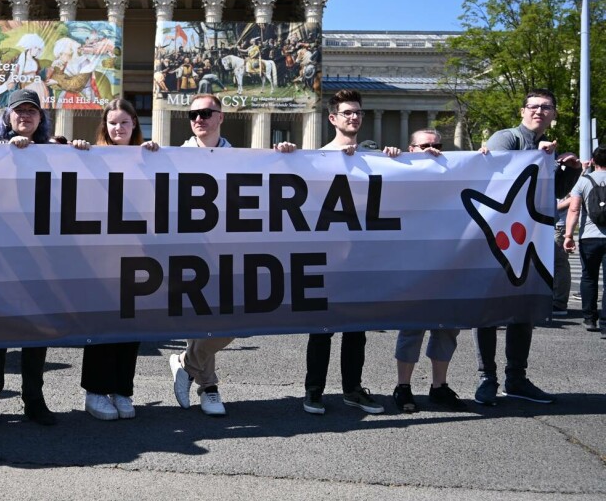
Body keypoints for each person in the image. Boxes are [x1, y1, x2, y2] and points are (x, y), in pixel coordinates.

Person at [169, 94, 295, 416]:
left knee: (240, 317)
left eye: (207, 113)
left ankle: (186, 362)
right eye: (194, 114)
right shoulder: (174, 156)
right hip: (192, 249)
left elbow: (269, 181)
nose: (199, 119)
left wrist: (286, 158)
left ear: (221, 117)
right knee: (200, 319)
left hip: (233, 250)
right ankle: (208, 387)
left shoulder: (240, 157)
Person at [474, 88, 580, 406]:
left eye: (546, 107)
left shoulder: (547, 150)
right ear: (522, 111)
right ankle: (487, 378)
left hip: (532, 243)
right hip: (497, 241)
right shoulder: (506, 138)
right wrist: (537, 158)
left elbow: (553, 195)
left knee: (524, 311)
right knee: (490, 312)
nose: (539, 111)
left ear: (553, 114)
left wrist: (568, 168)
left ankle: (516, 378)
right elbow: (493, 177)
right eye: (533, 106)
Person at [303, 89, 397, 416]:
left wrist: (398, 160)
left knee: (356, 328)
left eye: (357, 112)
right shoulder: (315, 158)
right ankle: (313, 391)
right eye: (347, 113)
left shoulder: (373, 157)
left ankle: (352, 390)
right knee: (322, 329)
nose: (354, 117)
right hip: (326, 255)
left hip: (361, 255)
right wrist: (285, 155)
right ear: (333, 119)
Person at [0, 89, 56, 429]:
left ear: (40, 119)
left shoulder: (53, 152)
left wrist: (80, 150)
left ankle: (33, 399)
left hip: (41, 255)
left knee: (36, 329)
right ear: (7, 116)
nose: (25, 116)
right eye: (19, 111)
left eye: (32, 112)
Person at [70, 99, 158, 420]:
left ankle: (122, 389)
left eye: (124, 122)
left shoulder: (148, 158)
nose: (118, 128)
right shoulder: (90, 155)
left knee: (131, 325)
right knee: (102, 324)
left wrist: (161, 158)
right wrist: (76, 151)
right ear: (104, 126)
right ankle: (95, 392)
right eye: (112, 123)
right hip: (100, 256)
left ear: (134, 124)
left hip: (138, 254)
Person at [391, 129, 466, 412]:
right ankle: (403, 387)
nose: (432, 149)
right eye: (425, 145)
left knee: (447, 328)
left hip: (448, 263)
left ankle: (439, 386)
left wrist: (486, 158)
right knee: (412, 327)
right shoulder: (399, 173)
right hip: (413, 264)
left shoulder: (451, 175)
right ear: (411, 148)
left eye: (437, 145)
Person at [563, 144, 606, 335]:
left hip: (589, 236)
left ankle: (590, 318)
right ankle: (605, 323)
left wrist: (568, 235)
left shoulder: (584, 181)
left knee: (588, 276)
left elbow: (574, 209)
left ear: (594, 161)